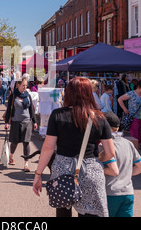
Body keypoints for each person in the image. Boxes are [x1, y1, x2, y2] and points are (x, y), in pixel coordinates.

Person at [33, 77, 117, 217]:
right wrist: (96, 159)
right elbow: (110, 152)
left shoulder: (58, 115)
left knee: (63, 210)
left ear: (68, 93)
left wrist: (38, 174)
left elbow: (48, 148)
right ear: (89, 93)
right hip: (90, 171)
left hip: (63, 169)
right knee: (90, 212)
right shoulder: (100, 118)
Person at [101, 112, 141, 217]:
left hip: (110, 192)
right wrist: (126, 174)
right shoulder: (128, 143)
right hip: (128, 192)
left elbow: (113, 170)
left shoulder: (103, 146)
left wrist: (97, 169)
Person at [4, 78, 37, 172]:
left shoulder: (28, 95)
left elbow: (31, 110)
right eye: (23, 85)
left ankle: (26, 163)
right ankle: (11, 155)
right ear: (18, 85)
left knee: (26, 142)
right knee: (14, 142)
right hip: (15, 122)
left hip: (27, 122)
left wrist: (34, 121)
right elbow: (8, 110)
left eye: (26, 85)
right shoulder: (13, 95)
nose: (25, 87)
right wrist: (6, 122)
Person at [117, 80, 141, 146]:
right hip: (133, 117)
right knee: (134, 137)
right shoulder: (131, 94)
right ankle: (134, 151)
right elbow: (120, 99)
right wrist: (125, 109)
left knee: (140, 136)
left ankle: (137, 149)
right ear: (139, 87)